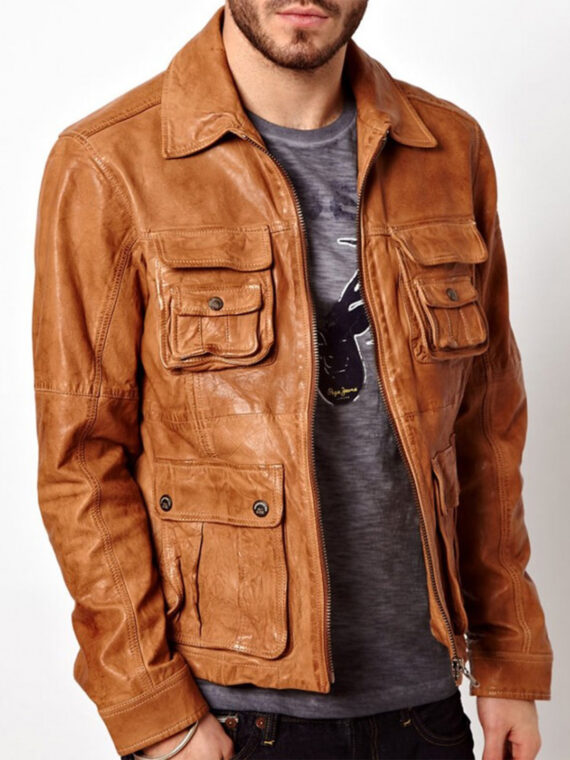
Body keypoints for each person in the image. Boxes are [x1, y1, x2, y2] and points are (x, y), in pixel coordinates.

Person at [32, 1, 554, 759]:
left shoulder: (449, 148)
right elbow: (81, 460)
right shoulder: (110, 160)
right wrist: (156, 713)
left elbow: (486, 428)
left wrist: (508, 658)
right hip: (233, 716)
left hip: (429, 708)